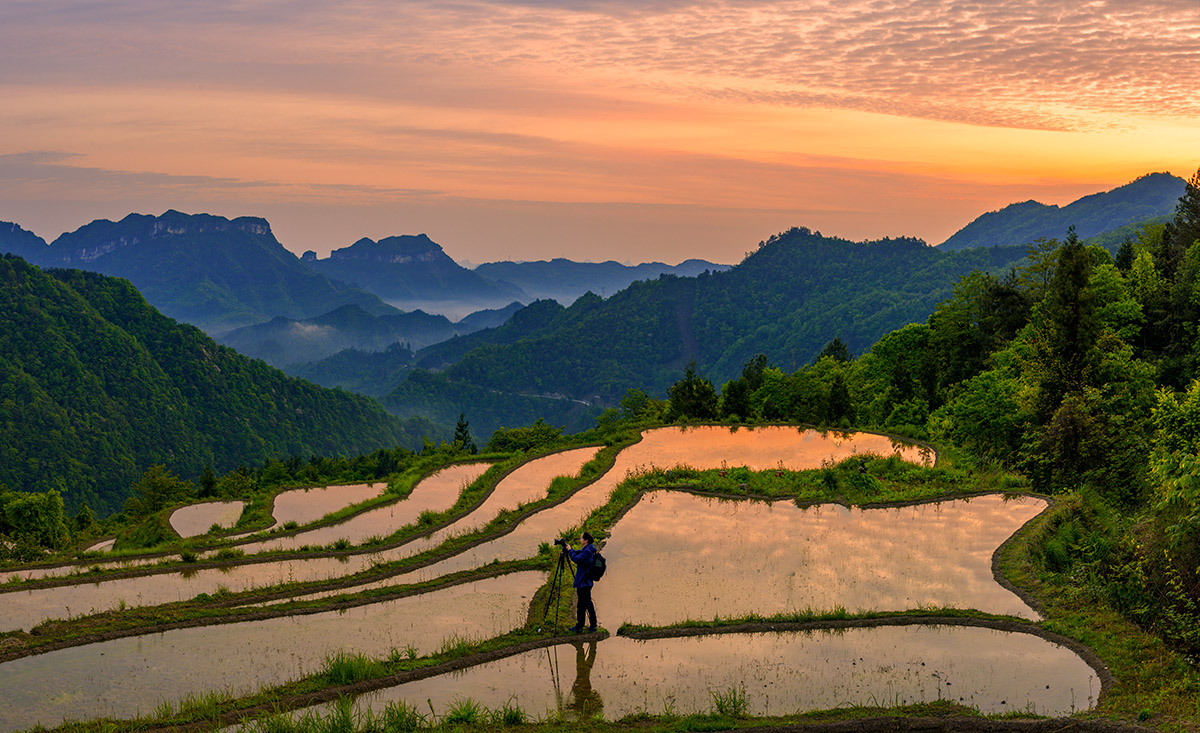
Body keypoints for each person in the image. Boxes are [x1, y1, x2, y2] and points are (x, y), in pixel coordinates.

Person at [565, 531, 597, 633]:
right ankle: (592, 625)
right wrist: (570, 550)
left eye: (581, 538)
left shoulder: (587, 552)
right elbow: (578, 553)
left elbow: (576, 558)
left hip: (584, 582)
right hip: (586, 581)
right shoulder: (588, 549)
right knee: (587, 604)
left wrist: (570, 550)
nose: (580, 540)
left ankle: (580, 627)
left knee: (582, 605)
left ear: (586, 540)